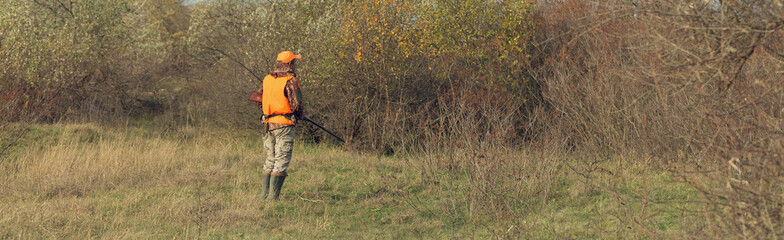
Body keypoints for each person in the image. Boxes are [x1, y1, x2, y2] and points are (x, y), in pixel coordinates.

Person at [255, 51, 304, 200]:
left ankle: (264, 194)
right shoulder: (291, 80)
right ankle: (273, 197)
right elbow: (297, 104)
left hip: (268, 124)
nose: (295, 65)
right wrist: (299, 115)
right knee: (281, 159)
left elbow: (258, 99)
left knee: (270, 158)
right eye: (294, 62)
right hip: (284, 125)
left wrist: (269, 113)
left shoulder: (267, 79)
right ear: (289, 64)